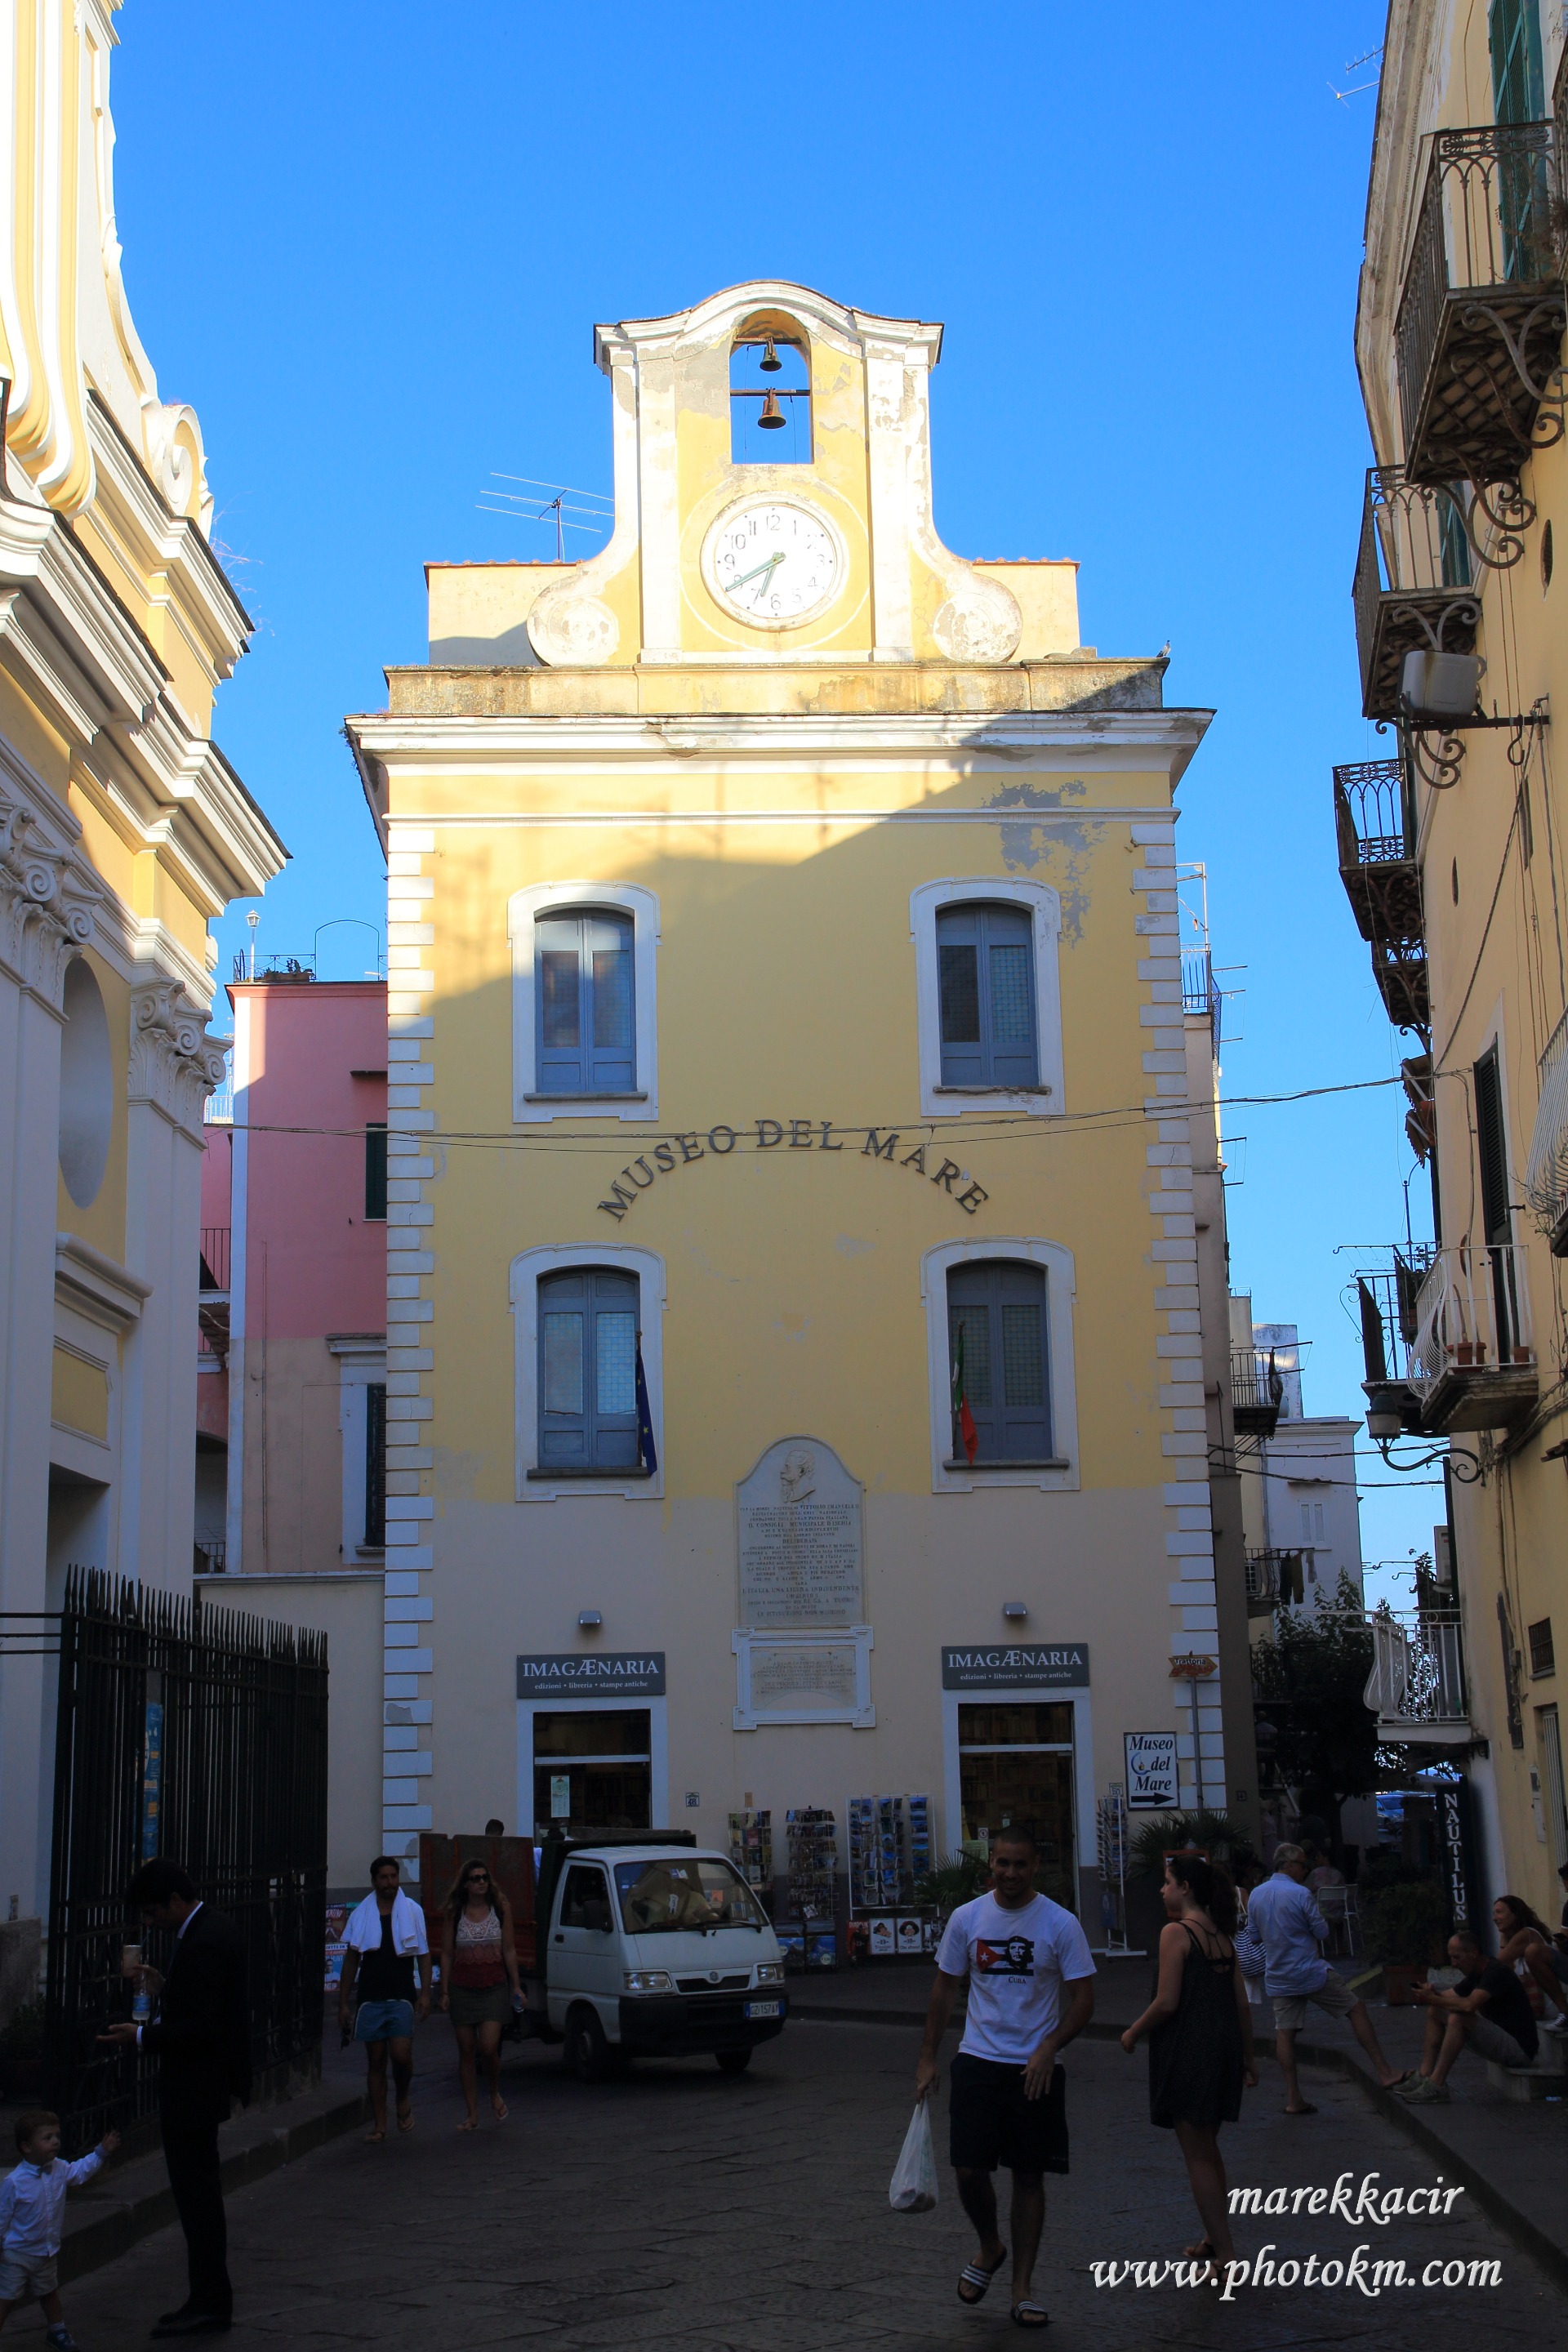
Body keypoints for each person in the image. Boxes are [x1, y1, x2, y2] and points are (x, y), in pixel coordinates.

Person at [915, 1830, 1096, 2331]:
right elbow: (944, 1988)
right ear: (990, 1864)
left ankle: (1022, 2289)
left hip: (1035, 2069)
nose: (1010, 1873)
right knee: (968, 2169)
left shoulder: (1060, 1923)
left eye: (1020, 1864)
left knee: (1029, 2176)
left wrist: (1049, 2047)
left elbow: (1084, 2000)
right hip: (977, 2059)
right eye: (1002, 1864)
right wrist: (928, 2057)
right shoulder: (967, 1918)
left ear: (1035, 1865)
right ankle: (990, 2244)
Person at [98, 1858, 250, 2338]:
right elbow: (205, 2004)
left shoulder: (204, 1940)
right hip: (200, 2085)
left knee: (197, 2198)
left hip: (194, 2088)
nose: (150, 1922)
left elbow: (203, 2026)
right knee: (198, 2196)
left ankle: (210, 2301)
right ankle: (205, 2298)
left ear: (176, 1900)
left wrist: (142, 2036)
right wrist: (167, 1988)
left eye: (152, 1912)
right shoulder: (210, 1930)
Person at [1120, 1854, 1257, 2280]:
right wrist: (1248, 2058)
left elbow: (1167, 2002)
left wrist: (1133, 2032)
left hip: (1189, 2051)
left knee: (1198, 2156)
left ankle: (1227, 2255)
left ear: (1185, 1888)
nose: (1162, 1890)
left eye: (1167, 1882)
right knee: (1209, 2151)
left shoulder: (1176, 1934)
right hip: (1222, 2049)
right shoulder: (1221, 1935)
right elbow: (1241, 2004)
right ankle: (1214, 2238)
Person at [1245, 1842, 1404, 2110]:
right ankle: (1384, 2071)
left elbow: (1253, 1937)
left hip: (1279, 1975)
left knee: (1284, 2033)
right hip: (1309, 1971)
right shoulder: (1301, 1894)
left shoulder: (1256, 1895)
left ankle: (1293, 2098)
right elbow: (1322, 1932)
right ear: (1290, 1865)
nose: (1306, 1870)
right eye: (1303, 1865)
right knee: (1356, 2008)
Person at [0, 2110, 120, 2349]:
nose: (55, 2141)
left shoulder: (59, 2168)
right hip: (17, 2253)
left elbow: (80, 2171)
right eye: (47, 2138)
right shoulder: (14, 2182)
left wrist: (101, 2153)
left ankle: (57, 2330)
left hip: (46, 2251)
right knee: (7, 2297)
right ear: (27, 2147)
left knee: (49, 2292)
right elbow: (2, 2217)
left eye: (57, 2136)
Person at [338, 1857, 432, 2143]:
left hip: (402, 1994)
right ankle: (380, 2123)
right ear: (374, 1881)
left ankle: (402, 2096)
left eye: (393, 1876)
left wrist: (426, 1994)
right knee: (376, 2060)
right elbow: (352, 1959)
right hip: (371, 1996)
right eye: (384, 1877)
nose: (390, 1882)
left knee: (401, 2056)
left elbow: (424, 1954)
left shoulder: (412, 1910)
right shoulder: (362, 1914)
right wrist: (343, 2003)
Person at [1398, 1926, 1539, 2100]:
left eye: (1457, 1957)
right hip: (1501, 2039)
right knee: (1436, 2011)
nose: (1453, 1963)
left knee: (1458, 2018)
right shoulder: (1476, 1973)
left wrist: (1433, 1999)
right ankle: (1425, 2073)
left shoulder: (1496, 1972)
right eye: (1451, 1957)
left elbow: (1469, 2006)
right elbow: (1446, 1998)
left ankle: (1437, 2084)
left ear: (1473, 1953)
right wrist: (1431, 1994)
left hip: (1519, 2050)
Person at [439, 1858, 520, 2129]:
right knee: (466, 2050)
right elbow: (447, 1953)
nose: (481, 1882)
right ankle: (472, 2114)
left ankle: (494, 2091)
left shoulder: (500, 1908)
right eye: (475, 1878)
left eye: (484, 1877)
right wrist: (444, 1990)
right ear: (465, 1884)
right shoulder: (455, 1912)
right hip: (462, 1987)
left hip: (493, 1986)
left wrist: (516, 1986)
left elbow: (509, 1949)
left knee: (488, 2047)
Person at [1488, 1897, 1566, 2031]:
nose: (1495, 1918)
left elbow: (1496, 1965)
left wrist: (1503, 1936)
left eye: (1499, 1912)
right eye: (1494, 1913)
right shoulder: (1516, 1944)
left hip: (1550, 2008)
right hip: (1538, 2009)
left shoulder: (1527, 1934)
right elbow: (1501, 1971)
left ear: (1515, 1914)